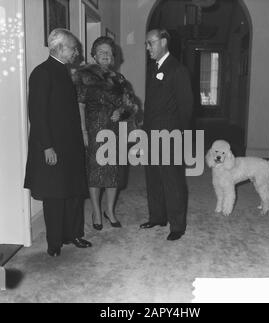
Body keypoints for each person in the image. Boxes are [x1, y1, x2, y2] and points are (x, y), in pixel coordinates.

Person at [24, 28, 92, 257]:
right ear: (60, 48)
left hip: (70, 145)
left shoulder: (65, 72)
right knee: (54, 195)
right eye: (73, 48)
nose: (77, 53)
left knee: (73, 192)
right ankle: (54, 243)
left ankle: (73, 234)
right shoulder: (42, 73)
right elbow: (37, 114)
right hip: (52, 146)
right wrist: (47, 146)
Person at [75, 36, 139, 230]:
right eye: (101, 52)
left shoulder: (120, 79)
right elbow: (80, 105)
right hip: (94, 130)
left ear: (113, 57)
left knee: (114, 173)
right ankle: (96, 211)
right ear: (94, 55)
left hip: (115, 132)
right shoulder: (84, 76)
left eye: (109, 53)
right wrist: (83, 131)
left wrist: (122, 112)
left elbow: (131, 106)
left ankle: (109, 211)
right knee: (95, 173)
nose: (105, 55)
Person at [140, 29, 194, 241]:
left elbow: (186, 107)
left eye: (150, 43)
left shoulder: (178, 69)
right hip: (151, 132)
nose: (147, 48)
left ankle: (178, 225)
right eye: (146, 44)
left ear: (163, 42)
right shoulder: (152, 68)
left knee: (172, 180)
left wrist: (178, 136)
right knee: (153, 177)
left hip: (170, 135)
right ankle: (158, 217)